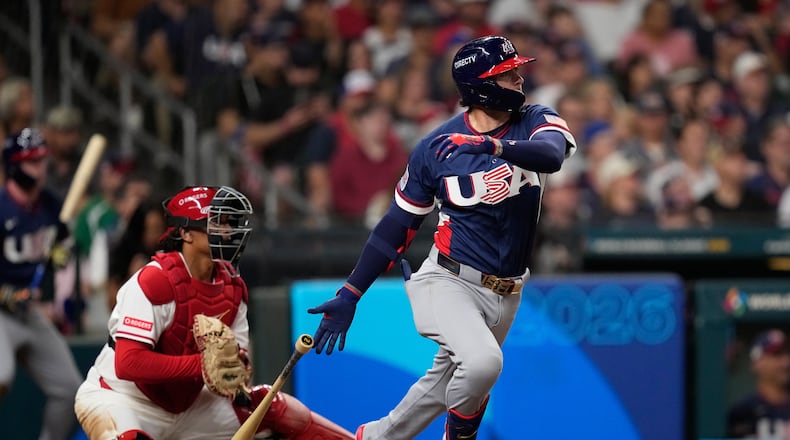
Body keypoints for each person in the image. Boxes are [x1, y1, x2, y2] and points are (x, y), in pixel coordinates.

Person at [308, 35, 577, 440]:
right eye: (507, 75)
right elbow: (397, 226)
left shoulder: (534, 117)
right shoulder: (435, 147)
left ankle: (376, 436)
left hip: (509, 290)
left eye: (517, 71)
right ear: (479, 87)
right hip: (449, 279)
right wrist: (350, 293)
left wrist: (492, 145)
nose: (519, 79)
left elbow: (552, 155)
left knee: (443, 387)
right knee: (483, 364)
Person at [73, 185, 354, 440]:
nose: (227, 231)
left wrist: (236, 370)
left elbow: (238, 365)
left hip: (191, 405)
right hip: (124, 398)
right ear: (184, 233)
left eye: (229, 223)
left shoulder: (232, 287)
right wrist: (202, 366)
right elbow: (128, 364)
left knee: (274, 408)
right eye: (215, 223)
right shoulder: (155, 281)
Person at [0, 128, 83, 440]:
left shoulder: (50, 205)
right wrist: (4, 292)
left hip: (28, 310)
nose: (40, 168)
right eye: (31, 162)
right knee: (1, 375)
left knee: (69, 389)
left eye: (42, 160)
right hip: (1, 311)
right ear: (13, 166)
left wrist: (58, 255)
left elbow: (61, 245)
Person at [727, 329, 790, 439]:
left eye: (788, 353)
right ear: (756, 363)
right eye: (777, 355)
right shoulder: (741, 412)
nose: (786, 362)